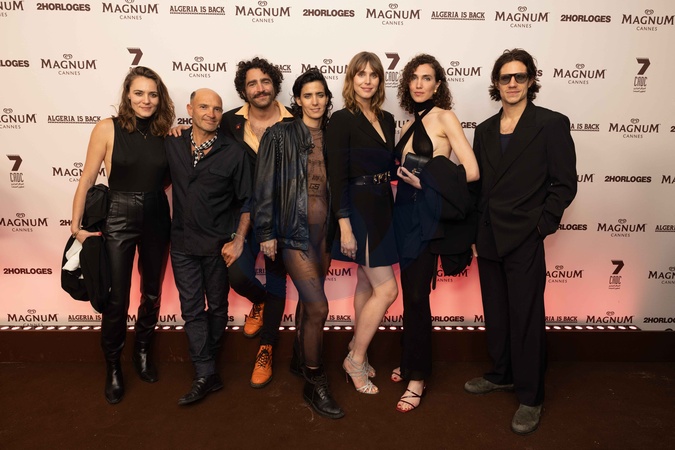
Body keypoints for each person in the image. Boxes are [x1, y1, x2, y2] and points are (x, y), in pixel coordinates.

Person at [464, 49, 577, 434]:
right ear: (496, 83)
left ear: (531, 81)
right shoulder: (484, 130)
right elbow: (479, 189)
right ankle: (502, 374)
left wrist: (540, 227)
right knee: (496, 312)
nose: (512, 83)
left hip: (525, 237)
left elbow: (564, 184)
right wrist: (475, 235)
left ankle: (531, 396)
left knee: (526, 316)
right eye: (505, 77)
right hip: (489, 237)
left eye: (520, 76)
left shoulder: (551, 124)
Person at [169, 57, 292, 388]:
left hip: (281, 216)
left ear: (274, 84)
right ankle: (259, 302)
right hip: (245, 215)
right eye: (252, 83)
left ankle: (266, 348)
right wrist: (177, 131)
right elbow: (199, 135)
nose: (260, 88)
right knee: (237, 273)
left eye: (265, 81)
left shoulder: (293, 121)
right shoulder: (229, 121)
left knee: (276, 280)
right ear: (244, 90)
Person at [70, 66, 174, 404]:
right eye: (139, 93)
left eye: (153, 94)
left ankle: (142, 351)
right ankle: (113, 365)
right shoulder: (107, 127)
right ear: (128, 95)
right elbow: (87, 178)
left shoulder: (166, 133)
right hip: (118, 214)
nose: (146, 100)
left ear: (160, 98)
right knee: (117, 297)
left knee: (152, 292)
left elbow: (168, 178)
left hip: (157, 213)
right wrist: (76, 226)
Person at [253, 69, 343, 419]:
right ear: (297, 100)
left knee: (309, 303)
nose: (315, 101)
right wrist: (265, 231)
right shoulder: (279, 134)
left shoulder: (335, 133)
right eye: (308, 96)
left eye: (320, 95)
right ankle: (314, 380)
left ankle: (298, 359)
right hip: (294, 234)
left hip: (326, 235)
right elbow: (263, 185)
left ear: (327, 98)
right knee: (319, 308)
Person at [392, 54, 480, 413]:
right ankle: (410, 361)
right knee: (409, 295)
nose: (419, 84)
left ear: (438, 84)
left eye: (426, 78)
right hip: (403, 215)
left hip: (426, 217)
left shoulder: (445, 117)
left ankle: (418, 376)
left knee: (417, 295)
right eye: (413, 77)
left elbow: (471, 171)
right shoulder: (408, 124)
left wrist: (425, 181)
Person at [166, 89, 252, 405]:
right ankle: (204, 373)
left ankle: (209, 366)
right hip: (182, 244)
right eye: (203, 107)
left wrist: (238, 240)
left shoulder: (235, 152)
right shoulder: (172, 143)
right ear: (190, 109)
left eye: (217, 109)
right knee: (192, 310)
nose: (211, 114)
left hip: (218, 246)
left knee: (216, 307)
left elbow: (248, 201)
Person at [325, 51, 399, 396]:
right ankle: (354, 360)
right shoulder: (341, 120)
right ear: (351, 79)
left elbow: (387, 163)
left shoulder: (386, 118)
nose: (367, 80)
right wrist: (344, 224)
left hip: (383, 205)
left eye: (373, 74)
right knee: (388, 290)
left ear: (380, 80)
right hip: (358, 208)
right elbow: (336, 177)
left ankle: (359, 349)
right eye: (361, 74)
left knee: (367, 284)